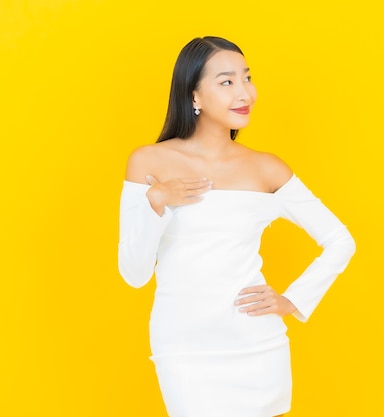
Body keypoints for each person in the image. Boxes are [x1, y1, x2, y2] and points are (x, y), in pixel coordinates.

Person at [117, 36, 356, 417]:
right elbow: (134, 272)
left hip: (256, 345)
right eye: (227, 81)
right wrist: (156, 201)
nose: (245, 92)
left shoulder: (267, 168)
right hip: (184, 346)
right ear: (193, 95)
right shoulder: (149, 162)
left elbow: (340, 241)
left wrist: (292, 300)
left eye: (247, 78)